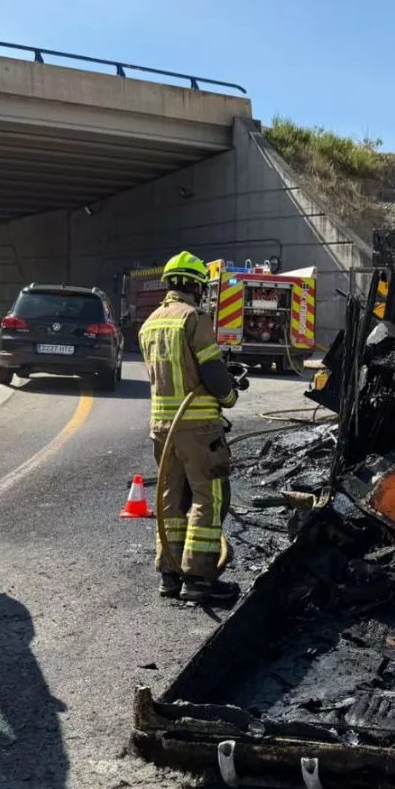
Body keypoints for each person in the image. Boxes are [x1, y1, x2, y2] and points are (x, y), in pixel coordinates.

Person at [139, 251, 245, 603]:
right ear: (195, 286)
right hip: (198, 427)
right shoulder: (193, 318)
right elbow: (213, 373)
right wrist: (229, 397)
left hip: (162, 429)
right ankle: (199, 579)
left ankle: (170, 573)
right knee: (208, 498)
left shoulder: (150, 323)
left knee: (170, 498)